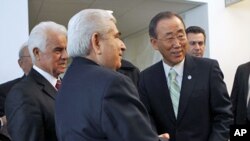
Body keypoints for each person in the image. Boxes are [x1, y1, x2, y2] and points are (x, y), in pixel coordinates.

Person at [55, 9, 169, 141]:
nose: (123, 45)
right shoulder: (112, 83)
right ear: (96, 42)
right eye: (116, 36)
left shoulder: (66, 83)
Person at [138, 11, 233, 141]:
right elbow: (146, 120)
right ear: (154, 43)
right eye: (170, 38)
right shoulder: (146, 78)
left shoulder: (208, 69)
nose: (177, 44)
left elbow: (224, 115)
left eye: (181, 36)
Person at [5, 21, 68, 141]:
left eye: (65, 49)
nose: (65, 56)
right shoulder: (22, 94)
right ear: (37, 53)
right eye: (58, 50)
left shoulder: (70, 87)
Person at [0, 42, 32, 141]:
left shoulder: (64, 86)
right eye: (33, 55)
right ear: (21, 63)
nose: (38, 59)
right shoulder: (5, 91)